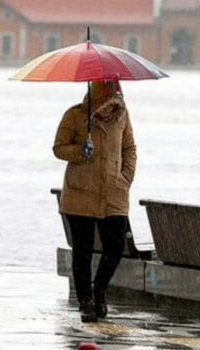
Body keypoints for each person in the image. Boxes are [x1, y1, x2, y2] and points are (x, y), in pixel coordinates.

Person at [52, 79, 137, 322]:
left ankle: (100, 289)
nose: (111, 106)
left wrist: (126, 177)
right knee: (83, 251)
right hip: (81, 192)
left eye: (115, 101)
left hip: (114, 191)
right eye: (107, 101)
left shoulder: (122, 116)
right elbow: (58, 148)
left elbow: (129, 147)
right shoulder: (75, 116)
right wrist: (79, 150)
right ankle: (85, 300)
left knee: (115, 247)